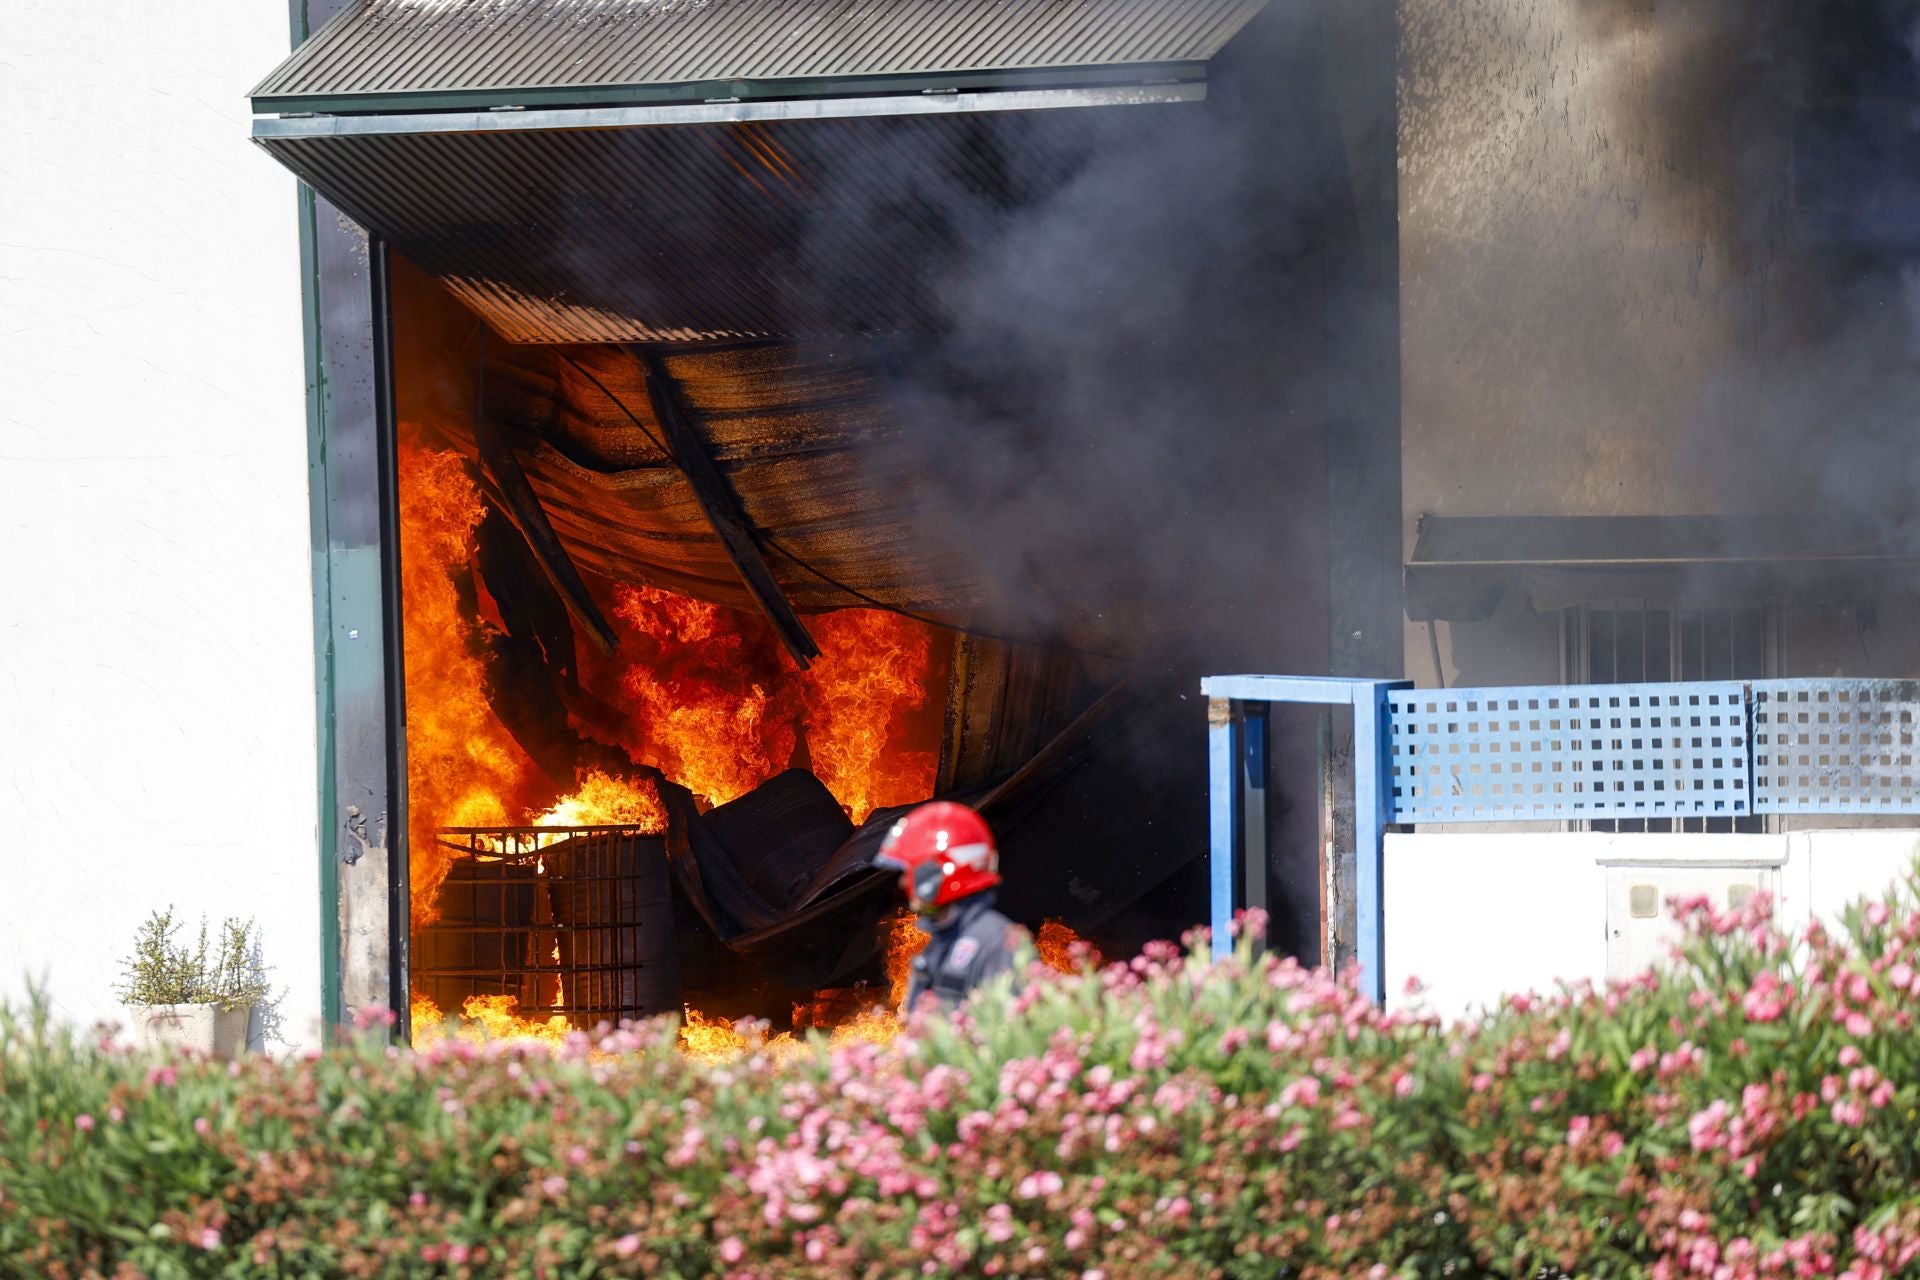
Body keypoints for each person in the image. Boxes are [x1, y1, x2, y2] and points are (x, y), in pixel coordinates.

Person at [874, 801, 1027, 1015]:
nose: (903, 882)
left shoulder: (999, 944)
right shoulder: (942, 941)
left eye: (911, 870)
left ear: (938, 873)